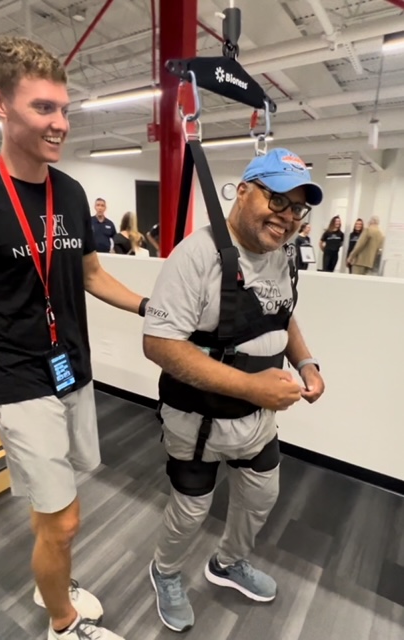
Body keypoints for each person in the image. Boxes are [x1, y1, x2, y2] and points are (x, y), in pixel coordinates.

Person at [0, 36, 149, 640]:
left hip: (70, 366)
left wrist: (151, 307)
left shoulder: (68, 191)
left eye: (65, 109)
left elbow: (91, 274)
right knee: (65, 520)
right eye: (43, 107)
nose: (60, 123)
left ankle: (53, 575)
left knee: (55, 508)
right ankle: (63, 625)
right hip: (14, 377)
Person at [143, 147, 326, 632]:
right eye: (277, 200)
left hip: (258, 422)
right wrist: (250, 386)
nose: (287, 217)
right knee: (191, 509)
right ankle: (165, 571)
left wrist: (305, 362)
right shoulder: (196, 256)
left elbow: (281, 316)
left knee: (261, 496)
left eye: (297, 208)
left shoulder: (283, 256)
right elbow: (159, 344)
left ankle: (227, 563)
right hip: (198, 420)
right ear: (243, 191)